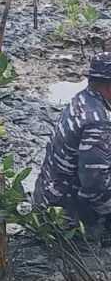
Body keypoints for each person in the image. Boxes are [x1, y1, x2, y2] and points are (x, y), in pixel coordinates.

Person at [34, 52, 111, 225]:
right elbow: (94, 187)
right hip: (63, 211)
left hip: (48, 193)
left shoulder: (83, 99)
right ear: (108, 87)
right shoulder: (96, 122)